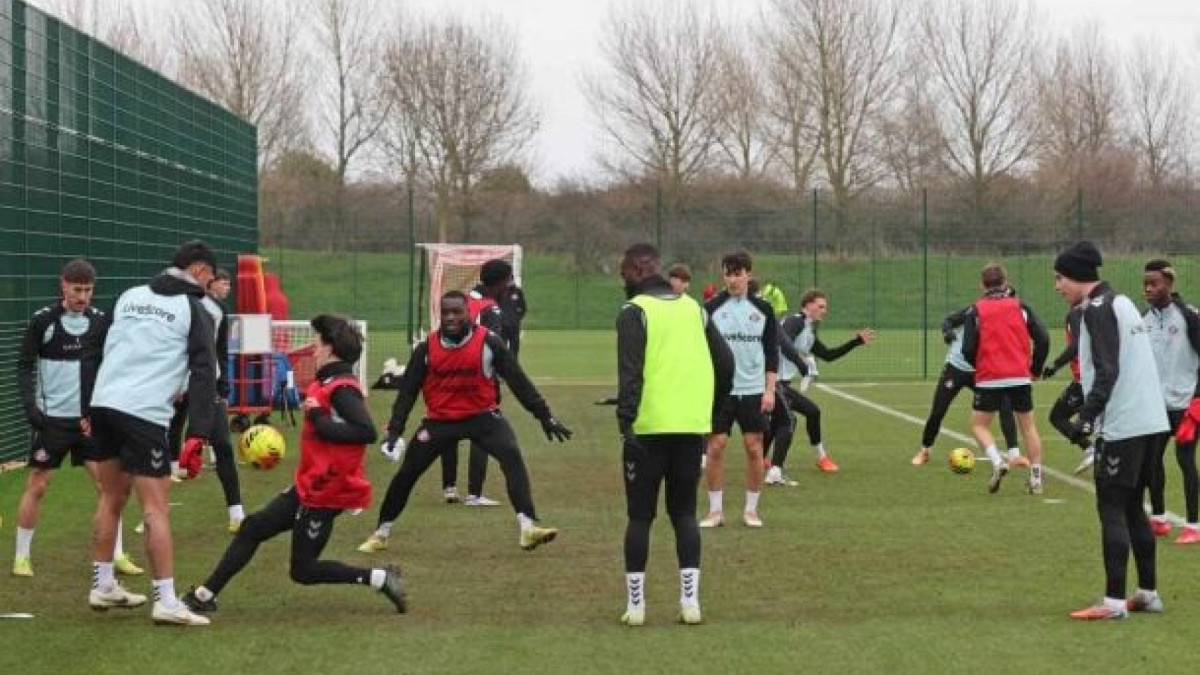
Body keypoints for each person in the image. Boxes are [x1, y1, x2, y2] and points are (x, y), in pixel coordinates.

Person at [181, 315, 406, 616]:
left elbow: (366, 432)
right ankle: (205, 594)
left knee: (303, 570)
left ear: (331, 349)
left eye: (318, 342)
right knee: (252, 527)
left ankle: (379, 578)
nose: (313, 347)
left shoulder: (342, 388)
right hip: (310, 485)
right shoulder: (326, 383)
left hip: (327, 491)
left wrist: (319, 418)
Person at [357, 290, 571, 554]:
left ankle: (527, 527)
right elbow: (407, 392)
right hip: (440, 422)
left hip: (483, 418)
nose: (450, 317)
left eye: (456, 311)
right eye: (445, 312)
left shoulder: (490, 342)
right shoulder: (426, 348)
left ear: (468, 313)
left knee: (512, 456)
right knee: (407, 474)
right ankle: (381, 533)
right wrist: (394, 430)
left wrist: (544, 415)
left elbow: (518, 381)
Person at [85, 240, 220, 626]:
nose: (210, 285)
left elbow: (93, 349)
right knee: (155, 507)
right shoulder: (194, 309)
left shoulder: (129, 296)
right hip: (144, 414)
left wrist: (87, 405)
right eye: (210, 277)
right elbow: (204, 374)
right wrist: (199, 433)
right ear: (198, 271)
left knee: (111, 497)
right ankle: (166, 600)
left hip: (104, 404)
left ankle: (103, 584)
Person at [615, 244, 733, 627]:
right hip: (689, 429)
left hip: (647, 430)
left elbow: (630, 372)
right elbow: (726, 362)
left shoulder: (634, 311)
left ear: (638, 269)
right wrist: (711, 411)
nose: (622, 281)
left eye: (623, 274)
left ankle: (636, 607)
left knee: (640, 517)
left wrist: (625, 420)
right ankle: (690, 604)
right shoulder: (695, 309)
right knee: (684, 515)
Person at [1053, 242, 1170, 620]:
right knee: (1134, 506)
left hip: (1125, 424)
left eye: (1060, 277)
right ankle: (1148, 594)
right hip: (1151, 422)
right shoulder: (1122, 302)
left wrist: (1087, 417)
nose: (1057, 286)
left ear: (1077, 276)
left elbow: (1107, 369)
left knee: (1112, 507)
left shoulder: (1097, 310)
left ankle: (1113, 603)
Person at [12, 259, 142, 578]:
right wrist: (30, 407)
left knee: (108, 488)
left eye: (87, 290)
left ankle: (118, 554)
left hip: (89, 421)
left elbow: (113, 365)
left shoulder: (100, 322)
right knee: (38, 485)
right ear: (63, 286)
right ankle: (21, 557)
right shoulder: (43, 321)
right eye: (77, 289)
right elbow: (24, 365)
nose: (82, 296)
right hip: (52, 421)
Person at [701, 251, 778, 528]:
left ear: (749, 275)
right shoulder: (710, 309)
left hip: (753, 390)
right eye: (728, 274)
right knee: (716, 447)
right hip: (720, 391)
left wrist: (770, 390)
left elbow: (771, 352)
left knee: (754, 448)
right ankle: (715, 512)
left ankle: (751, 511)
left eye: (737, 274)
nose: (732, 280)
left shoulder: (764, 309)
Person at [961, 263, 1049, 494]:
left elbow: (967, 348)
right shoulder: (1021, 307)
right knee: (1028, 426)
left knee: (979, 425)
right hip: (1020, 376)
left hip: (989, 377)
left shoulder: (975, 311)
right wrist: (1035, 369)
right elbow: (1043, 339)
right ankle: (1036, 478)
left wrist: (979, 366)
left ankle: (997, 461)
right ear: (1005, 282)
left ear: (982, 285)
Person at [768, 289, 874, 479]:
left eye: (825, 307)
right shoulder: (795, 322)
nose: (824, 310)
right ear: (808, 305)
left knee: (785, 419)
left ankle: (766, 460)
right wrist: (803, 362)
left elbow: (828, 355)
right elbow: (783, 344)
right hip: (773, 383)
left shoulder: (808, 329)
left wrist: (856, 342)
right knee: (801, 415)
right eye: (821, 306)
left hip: (780, 384)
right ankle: (814, 459)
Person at [170, 269, 246, 534]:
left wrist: (223, 386)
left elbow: (221, 351)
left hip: (207, 384)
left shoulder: (218, 310)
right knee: (166, 437)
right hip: (175, 384)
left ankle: (237, 513)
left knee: (222, 443)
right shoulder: (172, 304)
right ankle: (154, 512)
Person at [437, 259, 513, 507]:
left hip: (449, 374)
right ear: (500, 282)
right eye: (508, 281)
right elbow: (493, 346)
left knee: (449, 427)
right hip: (478, 379)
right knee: (482, 430)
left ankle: (449, 487)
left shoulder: (461, 301)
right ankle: (474, 493)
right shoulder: (491, 309)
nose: (510, 286)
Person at [912, 301, 1022, 468]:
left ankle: (1014, 455)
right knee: (938, 410)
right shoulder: (974, 310)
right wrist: (947, 331)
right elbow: (948, 321)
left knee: (1005, 404)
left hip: (982, 371)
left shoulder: (1003, 319)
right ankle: (925, 450)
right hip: (955, 368)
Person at [1141, 259, 1200, 544]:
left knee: (1185, 461)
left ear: (1169, 283)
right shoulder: (1145, 320)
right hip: (1157, 405)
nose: (1148, 289)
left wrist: (1197, 401)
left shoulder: (1189, 316)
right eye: (1145, 284)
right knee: (1152, 461)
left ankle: (1193, 526)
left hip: (1186, 405)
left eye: (1154, 284)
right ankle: (1159, 518)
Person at [1042, 305, 1097, 475]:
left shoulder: (1076, 313)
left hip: (1085, 379)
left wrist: (1055, 365)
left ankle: (1091, 449)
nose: (1060, 291)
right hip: (1104, 376)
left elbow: (1076, 345)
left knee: (1057, 416)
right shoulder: (1099, 310)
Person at [497, 270, 527, 358]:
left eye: (510, 279)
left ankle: (513, 364)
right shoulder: (499, 292)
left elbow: (523, 308)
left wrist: (517, 318)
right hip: (502, 325)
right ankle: (502, 364)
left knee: (514, 347)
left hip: (514, 325)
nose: (509, 281)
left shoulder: (517, 292)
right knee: (501, 347)